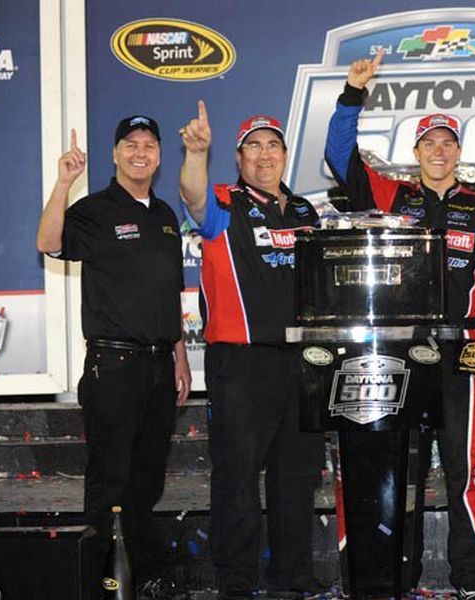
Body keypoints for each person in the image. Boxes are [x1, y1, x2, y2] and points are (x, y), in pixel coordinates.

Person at [324, 49, 475, 599]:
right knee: (390, 477)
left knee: (463, 479)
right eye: (428, 143)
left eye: (447, 143)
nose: (438, 151)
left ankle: (470, 582)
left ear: (459, 151)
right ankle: (390, 580)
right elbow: (340, 159)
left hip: (462, 355)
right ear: (415, 153)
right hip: (397, 358)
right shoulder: (395, 198)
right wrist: (350, 95)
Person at [36, 117, 191, 600]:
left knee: (147, 480)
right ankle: (102, 582)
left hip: (161, 365)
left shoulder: (166, 214)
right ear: (116, 154)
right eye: (130, 145)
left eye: (149, 145)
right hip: (114, 366)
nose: (140, 153)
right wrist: (63, 182)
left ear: (159, 156)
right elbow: (48, 243)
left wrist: (181, 356)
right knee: (111, 479)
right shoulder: (94, 209)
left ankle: (138, 577)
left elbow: (169, 293)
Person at [179, 102, 325, 600]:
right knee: (238, 476)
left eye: (273, 146)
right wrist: (195, 153)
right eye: (253, 147)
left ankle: (293, 576)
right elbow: (192, 197)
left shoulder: (306, 211)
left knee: (298, 476)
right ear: (238, 157)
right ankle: (237, 581)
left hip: (302, 361)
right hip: (241, 361)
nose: (264, 156)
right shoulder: (224, 202)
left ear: (285, 154)